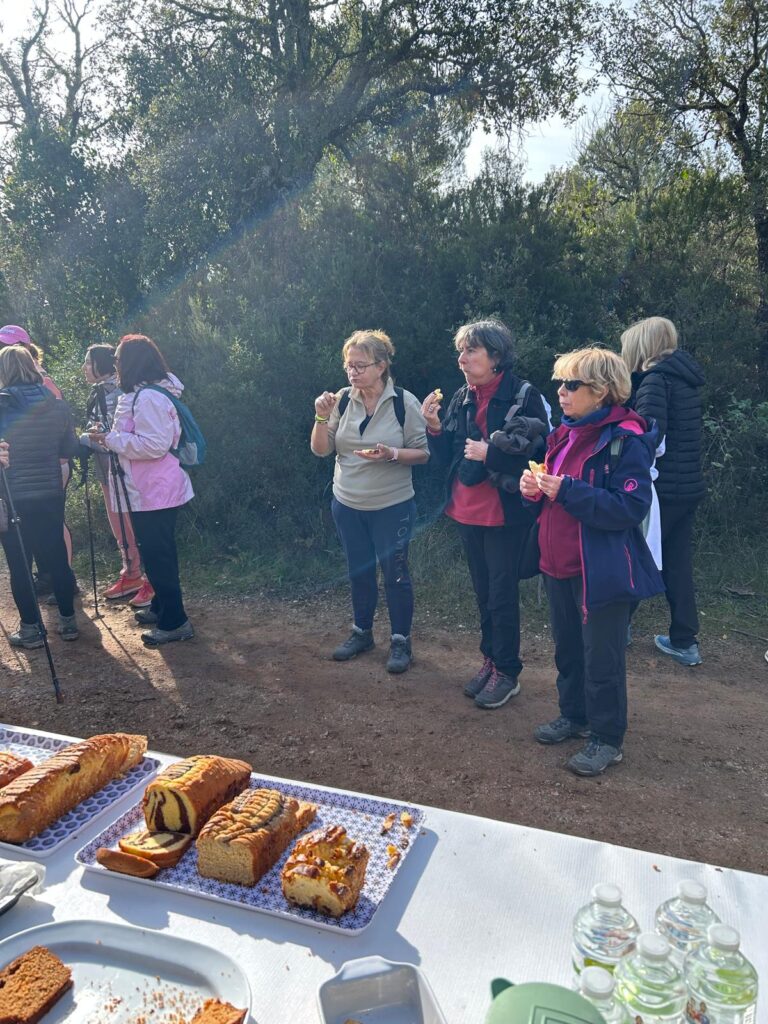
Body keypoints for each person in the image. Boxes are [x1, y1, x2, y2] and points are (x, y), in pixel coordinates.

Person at [520, 347, 664, 776]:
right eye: (560, 383)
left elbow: (629, 507)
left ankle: (606, 738)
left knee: (602, 657)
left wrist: (565, 490)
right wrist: (532, 489)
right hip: (556, 562)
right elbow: (554, 492)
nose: (560, 393)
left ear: (601, 391)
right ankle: (575, 716)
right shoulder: (564, 433)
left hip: (599, 569)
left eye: (571, 384)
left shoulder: (626, 440)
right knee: (568, 649)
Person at [421, 319, 549, 709]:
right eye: (460, 351)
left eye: (470, 351)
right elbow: (446, 459)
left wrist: (490, 454)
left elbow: (542, 457)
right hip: (466, 509)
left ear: (496, 356)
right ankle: (491, 661)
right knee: (483, 592)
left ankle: (508, 672)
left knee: (501, 593)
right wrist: (433, 428)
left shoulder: (524, 395)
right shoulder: (463, 396)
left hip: (505, 513)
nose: (462, 358)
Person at [311, 329, 429, 673]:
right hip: (346, 503)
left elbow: (422, 454)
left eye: (360, 366)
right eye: (349, 366)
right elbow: (321, 450)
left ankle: (400, 642)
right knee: (358, 571)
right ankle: (362, 633)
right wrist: (320, 416)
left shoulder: (405, 402)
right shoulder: (342, 400)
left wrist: (391, 453)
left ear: (381, 366)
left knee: (395, 574)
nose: (353, 373)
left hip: (392, 506)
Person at [88, 334, 194, 646]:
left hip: (155, 491)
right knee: (156, 552)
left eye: (118, 359)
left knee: (159, 555)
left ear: (132, 362)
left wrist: (109, 440)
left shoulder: (149, 398)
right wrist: (111, 437)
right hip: (152, 489)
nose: (115, 365)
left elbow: (155, 445)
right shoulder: (145, 394)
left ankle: (176, 622)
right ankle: (163, 607)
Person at [621, 317, 705, 667]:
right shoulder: (685, 379)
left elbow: (648, 438)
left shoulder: (655, 380)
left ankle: (615, 626)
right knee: (675, 562)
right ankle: (684, 640)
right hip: (687, 487)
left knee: (634, 553)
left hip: (660, 489)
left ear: (641, 346)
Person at [0, 345, 80, 648]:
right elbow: (68, 449)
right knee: (57, 554)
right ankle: (68, 622)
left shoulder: (2, 406)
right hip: (50, 491)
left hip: (12, 495)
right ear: (33, 368)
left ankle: (31, 629)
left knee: (20, 563)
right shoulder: (57, 406)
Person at [79, 344, 154, 606]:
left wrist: (85, 439)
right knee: (118, 522)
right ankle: (132, 573)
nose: (84, 368)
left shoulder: (119, 391)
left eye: (88, 363)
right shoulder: (100, 390)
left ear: (103, 364)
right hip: (107, 468)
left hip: (123, 468)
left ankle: (146, 578)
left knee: (132, 521)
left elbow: (116, 436)